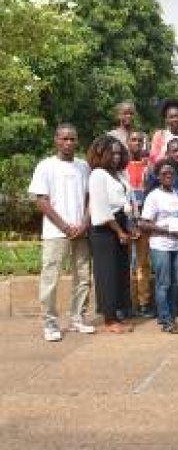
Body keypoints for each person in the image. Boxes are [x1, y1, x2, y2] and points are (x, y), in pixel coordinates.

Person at [28, 123, 95, 342]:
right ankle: (49, 323)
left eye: (72, 139)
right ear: (56, 140)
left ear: (77, 141)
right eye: (64, 139)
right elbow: (41, 201)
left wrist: (84, 223)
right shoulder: (45, 166)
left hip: (81, 232)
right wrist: (65, 227)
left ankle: (77, 318)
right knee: (51, 278)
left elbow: (89, 199)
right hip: (56, 233)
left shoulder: (83, 166)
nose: (68, 143)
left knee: (83, 277)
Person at [87, 135, 134, 334]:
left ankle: (118, 312)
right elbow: (101, 207)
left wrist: (131, 225)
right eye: (111, 153)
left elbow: (128, 200)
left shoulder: (120, 174)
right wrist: (119, 231)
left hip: (122, 223)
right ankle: (109, 319)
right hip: (106, 229)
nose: (116, 156)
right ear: (101, 154)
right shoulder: (98, 174)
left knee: (120, 270)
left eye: (118, 152)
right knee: (107, 272)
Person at [139, 162, 178, 334]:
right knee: (163, 283)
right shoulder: (153, 196)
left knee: (175, 283)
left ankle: (171, 316)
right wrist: (168, 230)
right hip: (161, 245)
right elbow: (143, 223)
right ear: (158, 176)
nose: (168, 175)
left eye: (171, 173)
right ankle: (166, 319)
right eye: (164, 173)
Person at [126, 131, 153, 318]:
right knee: (128, 263)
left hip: (143, 221)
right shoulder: (121, 166)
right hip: (126, 222)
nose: (136, 143)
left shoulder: (148, 167)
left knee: (143, 263)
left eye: (140, 140)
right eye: (133, 140)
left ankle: (144, 302)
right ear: (128, 143)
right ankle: (129, 301)